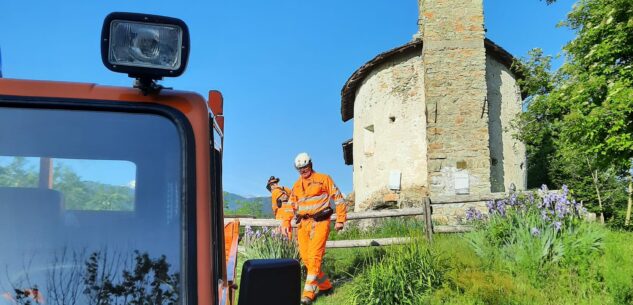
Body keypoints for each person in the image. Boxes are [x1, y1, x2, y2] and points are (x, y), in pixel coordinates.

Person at [288, 152, 346, 304]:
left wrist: (340, 219)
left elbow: (338, 199)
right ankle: (326, 286)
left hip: (320, 222)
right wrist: (285, 223)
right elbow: (290, 206)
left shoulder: (323, 179)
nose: (303, 170)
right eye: (299, 168)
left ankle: (308, 294)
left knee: (314, 257)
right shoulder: (296, 185)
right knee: (306, 259)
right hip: (303, 225)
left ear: (310, 165)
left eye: (305, 167)